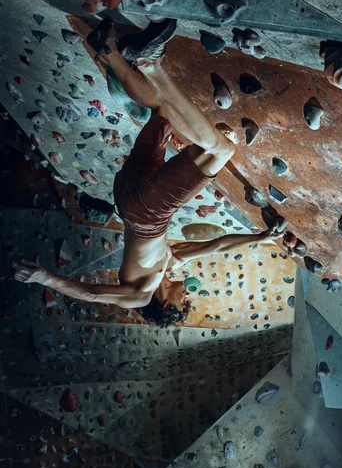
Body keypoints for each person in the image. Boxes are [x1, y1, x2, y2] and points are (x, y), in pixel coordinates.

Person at [14, 18, 282, 326]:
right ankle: (110, 52)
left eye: (185, 303)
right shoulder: (169, 261)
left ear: (167, 305)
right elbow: (218, 245)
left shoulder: (142, 294)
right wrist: (260, 238)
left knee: (221, 149)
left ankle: (150, 62)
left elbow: (93, 294)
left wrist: (45, 278)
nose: (189, 296)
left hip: (148, 213)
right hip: (126, 198)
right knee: (164, 113)